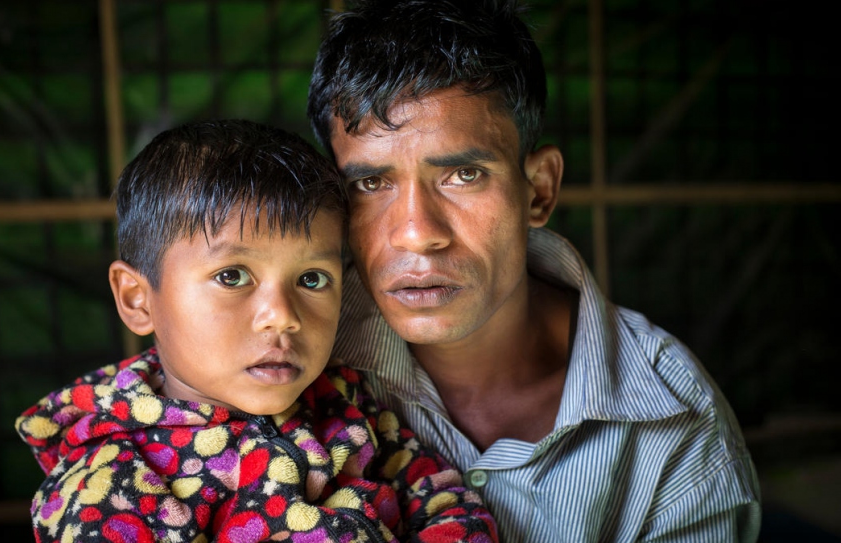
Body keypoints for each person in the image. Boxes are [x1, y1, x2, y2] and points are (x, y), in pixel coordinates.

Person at [307, 1, 762, 541]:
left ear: (539, 190)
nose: (416, 232)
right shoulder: (283, 356)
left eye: (464, 174)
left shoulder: (676, 426)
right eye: (370, 184)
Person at [15, 119, 498, 543]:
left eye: (311, 279)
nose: (281, 315)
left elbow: (446, 504)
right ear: (137, 299)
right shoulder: (109, 489)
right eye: (232, 276)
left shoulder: (348, 404)